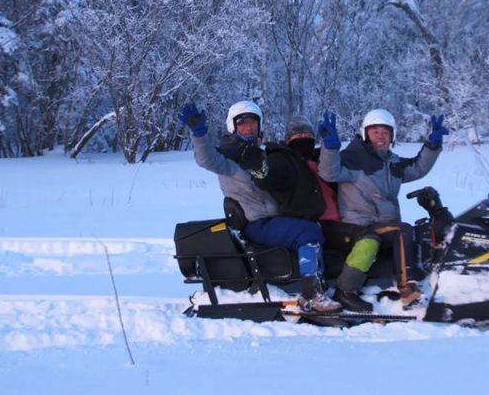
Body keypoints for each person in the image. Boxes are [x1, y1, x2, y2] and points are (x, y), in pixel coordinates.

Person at [178, 100, 341, 313]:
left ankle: (320, 281)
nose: (249, 127)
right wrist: (199, 135)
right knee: (308, 232)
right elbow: (206, 159)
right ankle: (311, 294)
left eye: (253, 123)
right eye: (243, 123)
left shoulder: (261, 154)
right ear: (232, 126)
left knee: (313, 226)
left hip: (273, 219)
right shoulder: (229, 158)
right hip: (257, 222)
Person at [317, 108, 449, 309]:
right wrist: (330, 148)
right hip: (360, 226)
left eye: (386, 132)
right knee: (402, 230)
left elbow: (417, 168)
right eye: (375, 131)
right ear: (365, 134)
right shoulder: (353, 158)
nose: (381, 136)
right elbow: (329, 173)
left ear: (392, 136)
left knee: (421, 232)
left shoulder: (391, 161)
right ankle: (407, 288)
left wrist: (432, 145)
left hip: (384, 225)